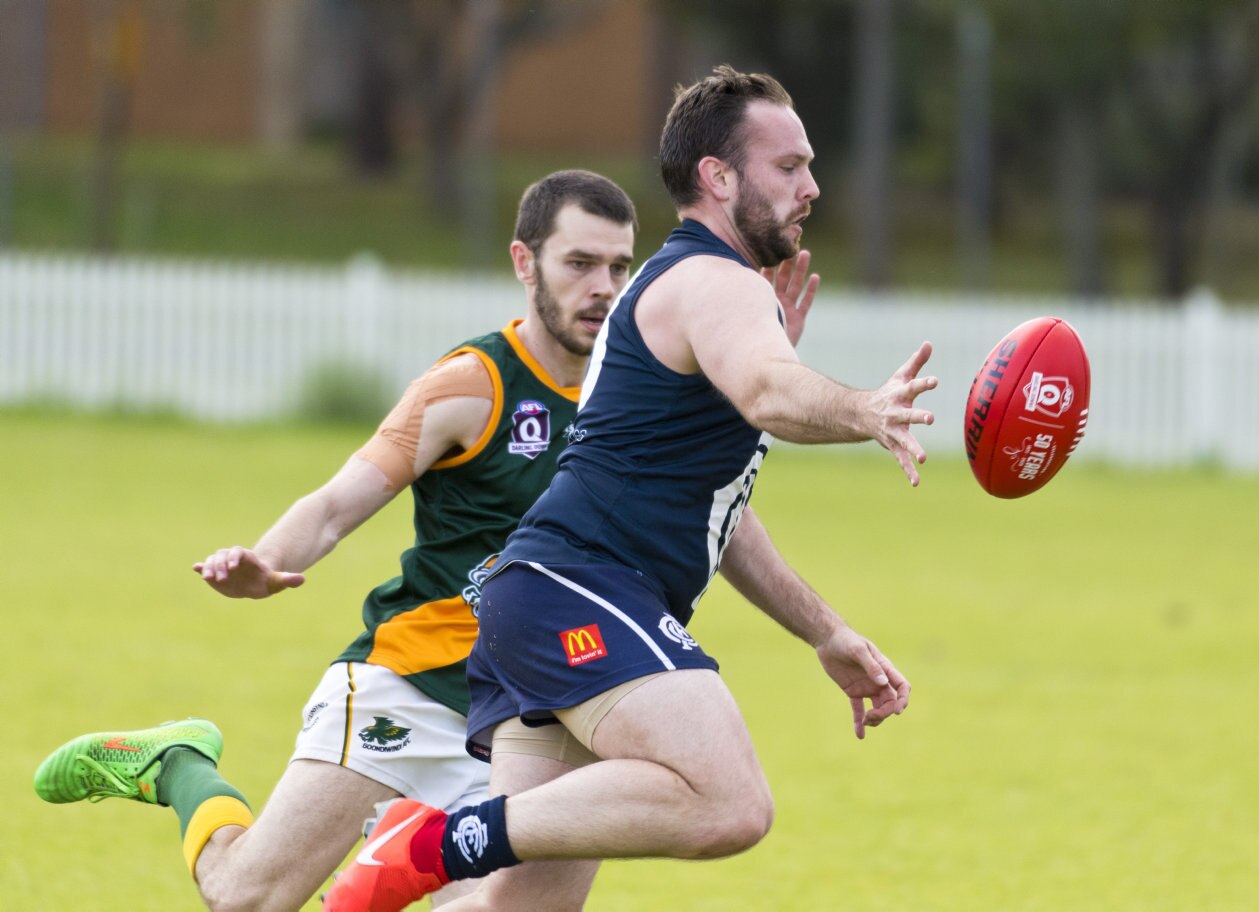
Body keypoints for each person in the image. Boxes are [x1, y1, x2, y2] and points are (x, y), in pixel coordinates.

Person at [321, 65, 936, 912]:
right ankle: (435, 836)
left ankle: (441, 843)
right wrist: (865, 407)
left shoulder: (686, 287)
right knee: (729, 802)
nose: (812, 187)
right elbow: (769, 391)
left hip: (543, 597)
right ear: (718, 178)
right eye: (788, 167)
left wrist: (825, 632)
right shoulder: (710, 282)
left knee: (519, 911)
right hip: (579, 590)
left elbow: (722, 511)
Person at [31, 170, 643, 912]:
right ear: (525, 263)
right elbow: (337, 502)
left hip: (539, 720)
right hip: (416, 688)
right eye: (579, 264)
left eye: (619, 266)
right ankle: (179, 764)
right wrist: (268, 560)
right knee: (245, 897)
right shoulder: (473, 384)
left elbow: (716, 518)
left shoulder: (636, 397)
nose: (604, 287)